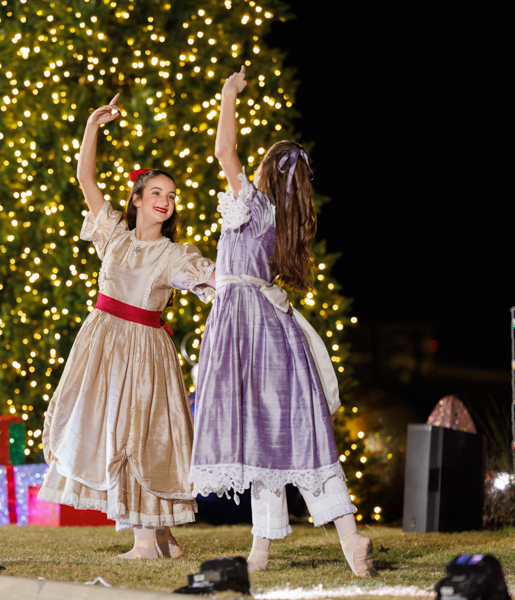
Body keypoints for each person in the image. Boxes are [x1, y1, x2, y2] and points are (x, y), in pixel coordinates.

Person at [189, 67, 377, 578]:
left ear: (267, 172)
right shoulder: (287, 224)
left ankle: (273, 549)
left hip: (246, 334)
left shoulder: (251, 205)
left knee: (260, 434)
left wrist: (228, 93)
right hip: (275, 332)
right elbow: (243, 273)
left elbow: (225, 152)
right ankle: (326, 540)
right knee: (284, 436)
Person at [37, 94, 216, 559]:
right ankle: (162, 538)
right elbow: (84, 177)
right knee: (108, 431)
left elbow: (209, 277)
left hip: (142, 351)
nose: (166, 201)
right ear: (136, 199)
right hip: (101, 346)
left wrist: (234, 275)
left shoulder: (175, 254)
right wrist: (93, 125)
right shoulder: (114, 237)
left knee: (138, 435)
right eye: (157, 192)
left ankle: (146, 541)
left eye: (172, 196)